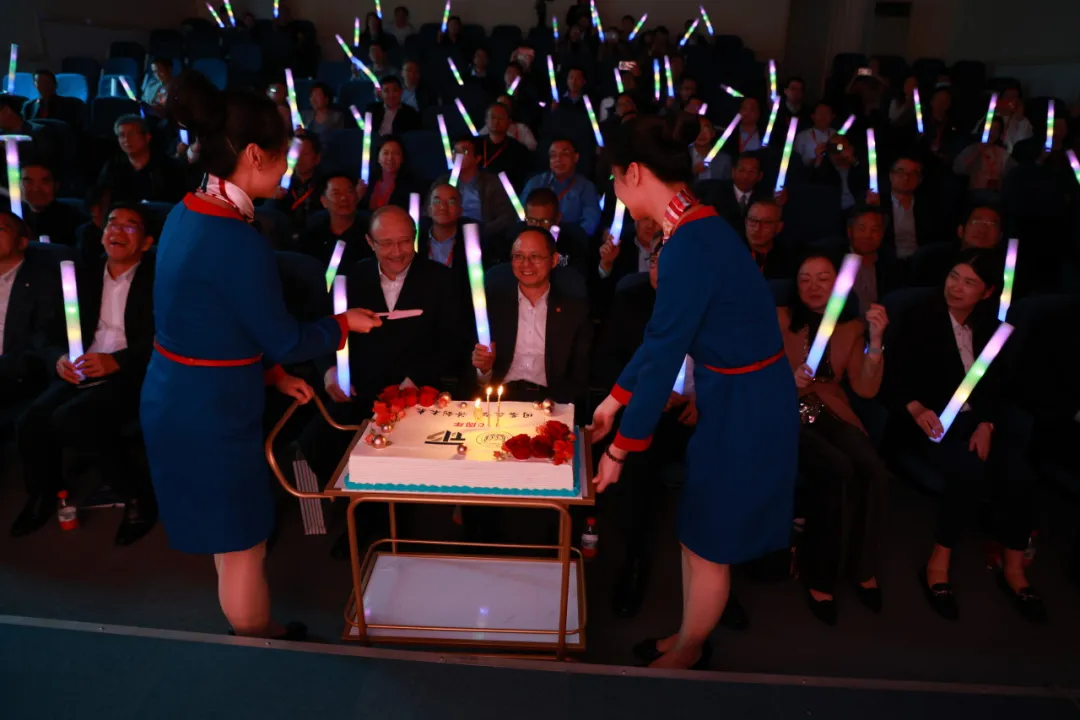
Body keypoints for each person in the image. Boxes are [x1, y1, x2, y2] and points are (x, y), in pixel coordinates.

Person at [143, 71, 383, 639]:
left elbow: (206, 319)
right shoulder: (238, 239)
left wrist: (270, 375)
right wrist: (343, 325)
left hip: (175, 392)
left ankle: (250, 631)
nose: (287, 168)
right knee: (243, 542)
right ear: (254, 154)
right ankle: (258, 641)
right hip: (212, 409)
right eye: (282, 157)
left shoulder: (184, 211)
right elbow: (287, 338)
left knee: (225, 537)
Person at [587, 114, 798, 670]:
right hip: (735, 395)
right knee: (697, 530)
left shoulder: (689, 243)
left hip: (746, 406)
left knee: (709, 541)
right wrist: (613, 401)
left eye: (615, 178)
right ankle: (689, 636)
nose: (615, 191)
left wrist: (619, 451)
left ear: (635, 173)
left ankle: (688, 651)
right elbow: (662, 337)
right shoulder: (695, 226)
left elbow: (663, 356)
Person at [887, 249, 1045, 623]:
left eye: (969, 282)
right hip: (931, 422)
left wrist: (986, 423)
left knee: (1021, 474)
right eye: (954, 277)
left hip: (977, 422)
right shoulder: (918, 317)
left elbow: (997, 385)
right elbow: (892, 375)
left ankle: (1013, 568)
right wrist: (915, 408)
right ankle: (938, 563)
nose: (957, 287)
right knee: (969, 470)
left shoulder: (989, 327)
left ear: (987, 292)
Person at [12, 204, 159, 545]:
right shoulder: (81, 274)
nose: (117, 230)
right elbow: (46, 331)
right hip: (83, 364)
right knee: (30, 421)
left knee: (74, 419)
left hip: (134, 370)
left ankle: (138, 497)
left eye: (130, 225)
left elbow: (167, 337)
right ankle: (44, 494)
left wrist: (118, 361)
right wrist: (59, 358)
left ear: (146, 242)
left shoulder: (159, 279)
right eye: (112, 223)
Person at [780, 253, 889, 625]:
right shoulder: (778, 319)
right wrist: (786, 379)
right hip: (786, 411)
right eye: (805, 278)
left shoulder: (852, 327)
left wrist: (876, 343)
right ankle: (820, 577)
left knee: (874, 471)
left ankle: (863, 568)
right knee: (837, 469)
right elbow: (751, 371)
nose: (813, 286)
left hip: (831, 410)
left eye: (823, 278)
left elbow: (865, 388)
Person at [471, 228, 592, 406]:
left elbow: (580, 375)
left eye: (535, 256)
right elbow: (471, 377)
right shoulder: (490, 308)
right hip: (498, 399)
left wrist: (557, 405)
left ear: (554, 260)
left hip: (552, 402)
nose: (526, 264)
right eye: (518, 256)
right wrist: (484, 371)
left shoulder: (574, 311)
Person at [0, 210, 62, 430]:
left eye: (1, 229)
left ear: (22, 242)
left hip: (16, 370)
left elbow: (43, 339)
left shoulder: (45, 280)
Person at [97, 115, 188, 204]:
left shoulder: (168, 166)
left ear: (147, 137)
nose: (126, 139)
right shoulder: (113, 167)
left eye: (132, 134)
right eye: (121, 135)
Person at [521, 138, 601, 236]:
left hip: (571, 241)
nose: (558, 159)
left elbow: (590, 224)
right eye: (553, 155)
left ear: (576, 157)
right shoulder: (535, 183)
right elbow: (520, 217)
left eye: (564, 154)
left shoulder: (586, 187)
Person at [301, 172, 373, 270]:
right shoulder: (314, 232)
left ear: (357, 196)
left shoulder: (371, 231)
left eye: (349, 191)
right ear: (324, 201)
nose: (344, 198)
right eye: (336, 193)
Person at [21, 161, 86, 246]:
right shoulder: (10, 216)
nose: (36, 189)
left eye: (45, 182)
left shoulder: (75, 221)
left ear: (56, 185)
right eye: (28, 182)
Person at [356, 135, 421, 212]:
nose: (390, 158)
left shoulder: (411, 185)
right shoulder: (367, 181)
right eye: (385, 153)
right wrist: (357, 197)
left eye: (396, 153)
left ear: (402, 158)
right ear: (378, 158)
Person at [744, 199, 795, 279]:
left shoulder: (789, 260)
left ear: (778, 227)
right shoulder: (730, 253)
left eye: (766, 222)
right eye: (753, 220)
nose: (757, 229)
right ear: (746, 222)